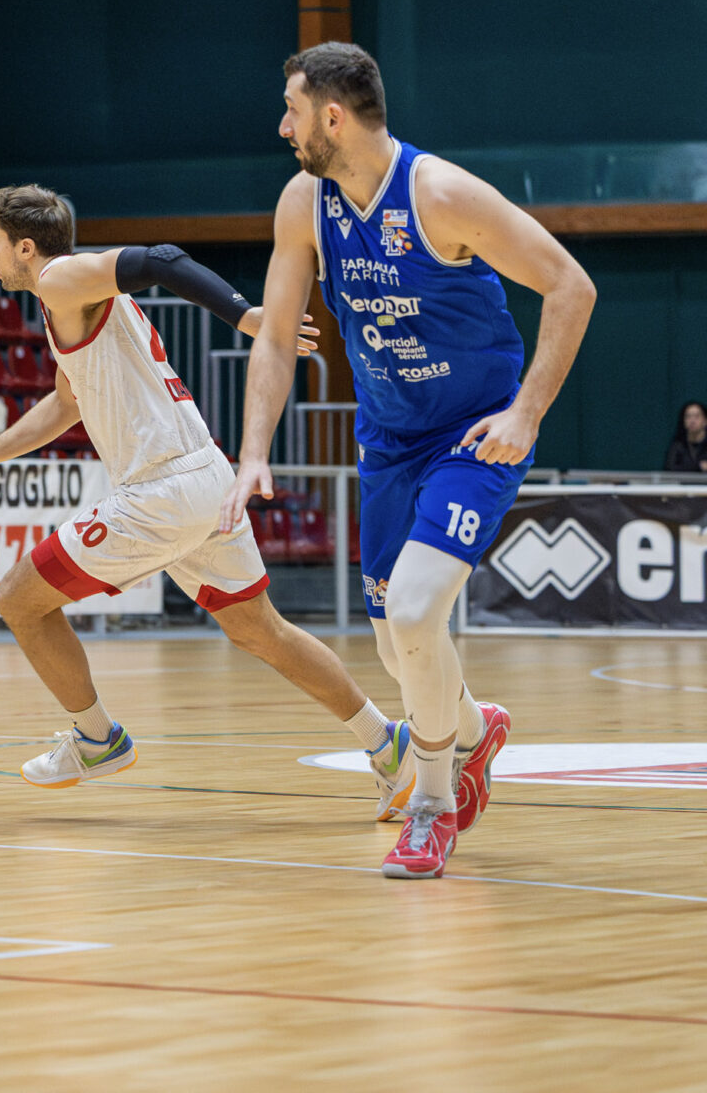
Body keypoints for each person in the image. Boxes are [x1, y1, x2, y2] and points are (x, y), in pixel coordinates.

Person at [222, 44, 595, 879]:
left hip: (472, 434)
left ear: (332, 116)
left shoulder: (441, 194)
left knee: (420, 614)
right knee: (397, 649)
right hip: (388, 441)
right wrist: (252, 452)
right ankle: (473, 728)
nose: (282, 127)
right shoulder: (304, 203)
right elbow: (278, 335)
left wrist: (525, 414)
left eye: (291, 110)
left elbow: (571, 286)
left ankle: (432, 803)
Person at [0, 184, 415, 829]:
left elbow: (161, 258)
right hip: (203, 480)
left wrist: (247, 316)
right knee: (258, 631)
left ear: (26, 247)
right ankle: (388, 743)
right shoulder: (68, 300)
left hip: (160, 489)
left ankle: (97, 738)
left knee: (20, 601)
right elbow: (66, 404)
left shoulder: (61, 276)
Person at [664, 401, 707, 474]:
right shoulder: (678, 445)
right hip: (683, 484)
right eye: (688, 416)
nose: (692, 421)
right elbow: (669, 469)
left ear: (705, 420)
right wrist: (699, 467)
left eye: (697, 416)